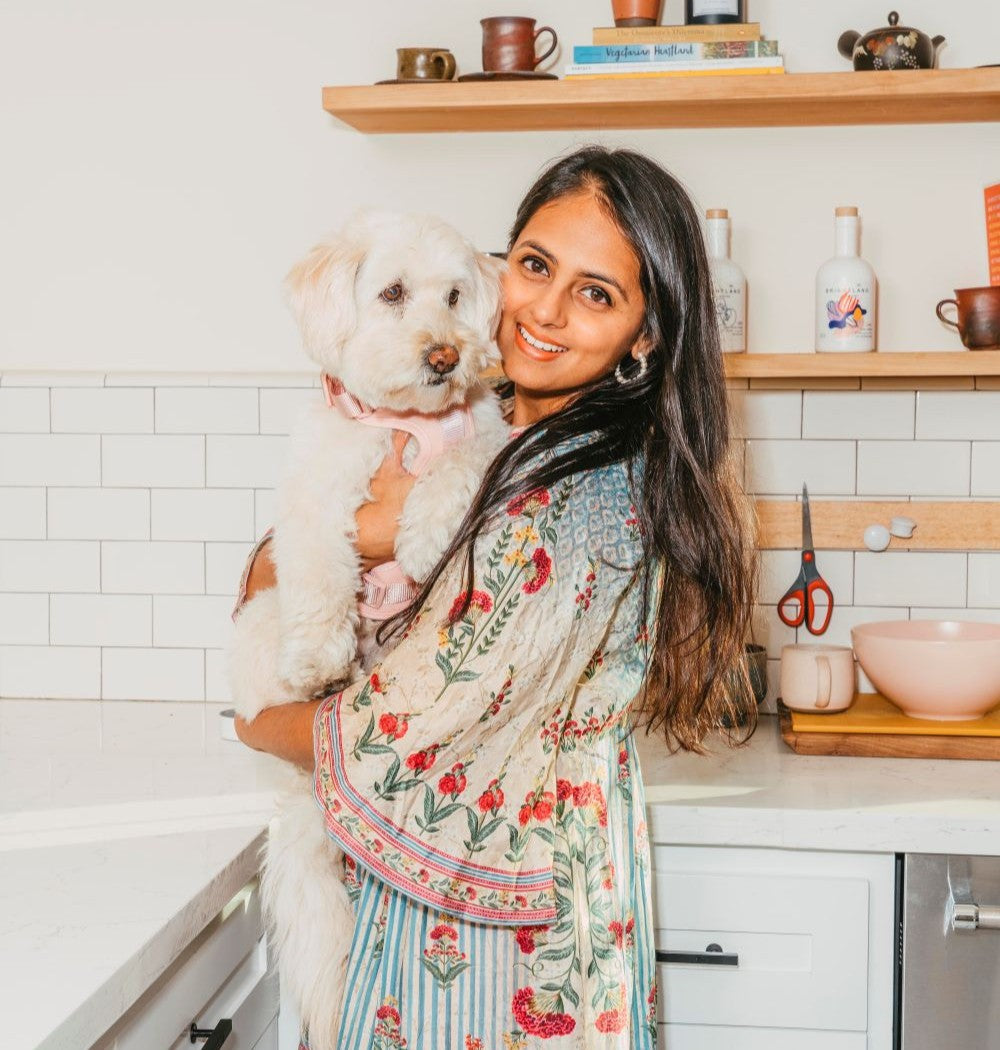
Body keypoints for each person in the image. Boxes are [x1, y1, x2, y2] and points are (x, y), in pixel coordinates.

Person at [235, 145, 758, 1049]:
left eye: (597, 294)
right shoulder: (504, 431)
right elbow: (292, 555)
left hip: (490, 950)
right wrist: (335, 542)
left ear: (644, 335)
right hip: (515, 901)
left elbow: (390, 737)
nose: (545, 310)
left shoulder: (570, 505)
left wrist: (256, 721)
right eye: (535, 265)